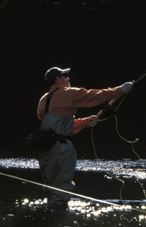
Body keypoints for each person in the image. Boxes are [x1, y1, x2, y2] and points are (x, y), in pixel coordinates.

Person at [36, 67, 134, 211]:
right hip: (62, 149)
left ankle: (48, 220)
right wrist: (120, 90)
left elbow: (56, 127)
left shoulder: (44, 100)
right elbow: (93, 96)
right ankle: (58, 225)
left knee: (51, 190)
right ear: (58, 79)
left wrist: (85, 122)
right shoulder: (68, 93)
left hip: (45, 149)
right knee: (62, 189)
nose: (68, 79)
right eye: (65, 76)